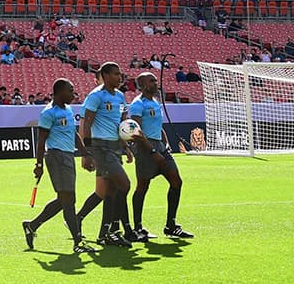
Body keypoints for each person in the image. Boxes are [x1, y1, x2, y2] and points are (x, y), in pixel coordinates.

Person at [22, 78, 92, 254]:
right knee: (69, 200)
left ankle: (31, 225)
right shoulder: (48, 113)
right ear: (59, 92)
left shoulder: (68, 110)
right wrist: (38, 164)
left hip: (68, 157)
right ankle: (78, 242)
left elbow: (74, 132)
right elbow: (41, 141)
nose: (73, 94)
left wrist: (84, 152)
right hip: (56, 157)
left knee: (64, 200)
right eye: (70, 91)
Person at [129, 72, 194, 240]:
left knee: (176, 181)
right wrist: (152, 151)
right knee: (142, 187)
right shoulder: (137, 104)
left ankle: (170, 225)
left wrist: (165, 144)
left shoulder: (155, 102)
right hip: (145, 148)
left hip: (159, 146)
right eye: (152, 81)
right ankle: (137, 228)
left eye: (156, 80)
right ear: (142, 85)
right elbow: (136, 132)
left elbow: (158, 126)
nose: (156, 83)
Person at [79, 62, 136, 247]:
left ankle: (104, 234)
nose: (120, 77)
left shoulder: (120, 97)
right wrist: (86, 153)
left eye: (120, 74)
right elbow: (86, 124)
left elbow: (121, 125)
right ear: (105, 75)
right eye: (115, 74)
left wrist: (125, 147)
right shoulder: (96, 96)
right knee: (124, 185)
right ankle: (113, 230)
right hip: (100, 148)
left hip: (114, 147)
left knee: (108, 192)